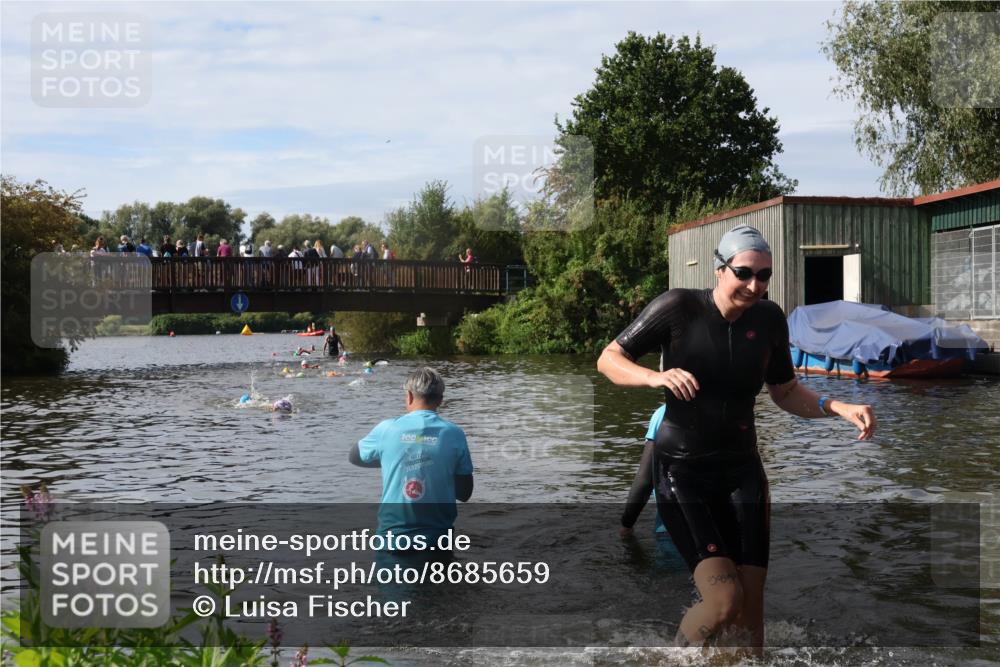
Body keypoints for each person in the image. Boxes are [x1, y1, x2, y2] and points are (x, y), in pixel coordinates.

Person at [596, 224, 876, 654]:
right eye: (744, 272)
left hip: (742, 471)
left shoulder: (768, 319)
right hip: (682, 472)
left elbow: (784, 391)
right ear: (719, 270)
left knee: (750, 613)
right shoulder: (678, 308)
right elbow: (609, 359)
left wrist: (835, 407)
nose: (754, 285)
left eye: (763, 276)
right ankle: (674, 660)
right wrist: (657, 377)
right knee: (724, 602)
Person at [349, 367, 474, 543]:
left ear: (409, 396)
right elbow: (464, 493)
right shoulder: (455, 434)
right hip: (438, 540)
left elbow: (354, 457)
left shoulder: (387, 429)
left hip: (392, 540)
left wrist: (394, 459)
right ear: (440, 400)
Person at [619, 404, 666, 539]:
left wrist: (627, 524)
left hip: (672, 529)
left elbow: (645, 479)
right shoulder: (728, 409)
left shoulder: (665, 412)